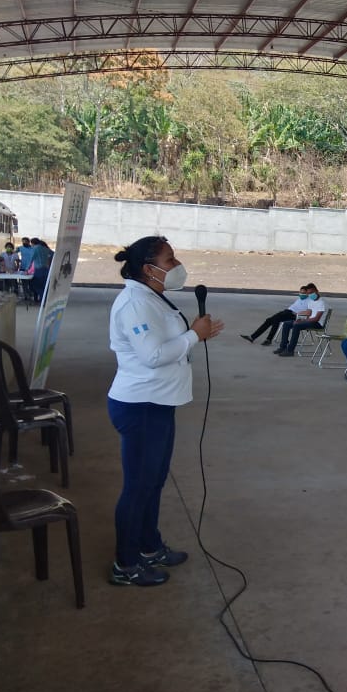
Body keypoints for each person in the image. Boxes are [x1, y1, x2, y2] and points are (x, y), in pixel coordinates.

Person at [107, 236, 224, 586]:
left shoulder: (152, 297)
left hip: (159, 404)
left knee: (153, 482)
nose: (177, 265)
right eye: (170, 260)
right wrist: (193, 336)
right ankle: (125, 566)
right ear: (148, 269)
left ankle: (148, 546)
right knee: (138, 486)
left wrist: (193, 335)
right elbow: (153, 356)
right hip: (140, 406)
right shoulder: (134, 304)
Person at [240, 283, 316, 345]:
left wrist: (297, 314)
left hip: (294, 315)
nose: (301, 294)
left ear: (307, 293)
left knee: (276, 320)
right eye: (301, 292)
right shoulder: (300, 299)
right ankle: (253, 337)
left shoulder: (309, 301)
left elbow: (309, 312)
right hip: (287, 311)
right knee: (269, 320)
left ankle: (267, 339)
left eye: (304, 293)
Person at [274, 286, 327, 356]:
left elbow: (316, 318)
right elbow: (309, 313)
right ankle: (283, 347)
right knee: (287, 324)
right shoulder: (311, 301)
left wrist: (303, 321)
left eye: (312, 292)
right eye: (308, 293)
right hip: (310, 321)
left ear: (317, 291)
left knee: (296, 326)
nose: (310, 295)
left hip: (318, 323)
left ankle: (290, 350)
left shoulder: (321, 303)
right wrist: (301, 319)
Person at [29, 238, 54, 302]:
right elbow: (53, 254)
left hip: (38, 270)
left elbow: (31, 259)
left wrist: (27, 269)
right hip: (46, 269)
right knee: (45, 285)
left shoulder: (35, 248)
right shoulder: (46, 249)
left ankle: (43, 298)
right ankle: (44, 299)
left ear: (33, 243)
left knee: (36, 285)